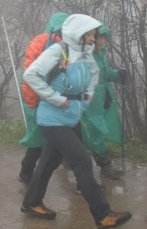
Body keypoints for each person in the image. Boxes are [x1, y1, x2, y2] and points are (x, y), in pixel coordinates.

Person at [21, 14, 131, 228]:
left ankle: (31, 202)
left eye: (92, 34)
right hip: (52, 119)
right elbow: (31, 75)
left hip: (71, 116)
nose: (92, 38)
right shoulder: (58, 51)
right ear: (77, 34)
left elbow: (94, 74)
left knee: (49, 161)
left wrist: (88, 96)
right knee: (81, 160)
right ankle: (103, 215)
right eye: (88, 34)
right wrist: (56, 98)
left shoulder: (86, 54)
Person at [17, 12, 68, 186]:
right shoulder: (40, 42)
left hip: (56, 99)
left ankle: (32, 173)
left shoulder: (67, 45)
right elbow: (29, 74)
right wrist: (33, 103)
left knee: (57, 137)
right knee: (38, 138)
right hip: (39, 98)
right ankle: (26, 173)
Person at [80, 22, 126, 180]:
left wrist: (118, 75)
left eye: (104, 38)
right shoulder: (86, 55)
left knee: (94, 132)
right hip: (90, 100)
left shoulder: (101, 54)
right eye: (99, 38)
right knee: (95, 132)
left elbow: (104, 74)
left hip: (102, 99)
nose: (102, 41)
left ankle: (63, 156)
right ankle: (105, 168)